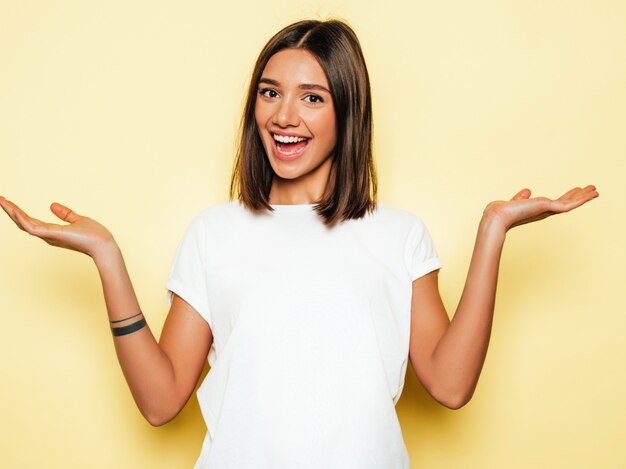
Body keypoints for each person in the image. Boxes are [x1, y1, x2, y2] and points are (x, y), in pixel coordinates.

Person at [0, 19, 598, 469]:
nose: (284, 116)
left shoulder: (398, 235)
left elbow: (449, 385)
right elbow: (160, 404)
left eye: (313, 96)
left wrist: (493, 230)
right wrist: (107, 257)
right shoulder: (215, 232)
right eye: (269, 92)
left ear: (348, 111)